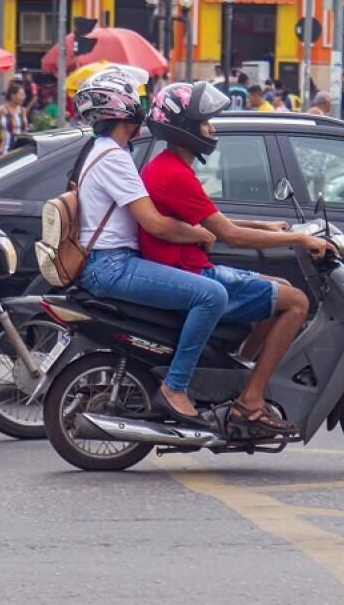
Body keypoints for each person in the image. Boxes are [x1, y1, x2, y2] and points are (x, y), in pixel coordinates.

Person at [142, 82, 332, 435]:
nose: (211, 129)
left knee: (281, 288)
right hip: (190, 273)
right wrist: (298, 238)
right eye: (205, 122)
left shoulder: (168, 166)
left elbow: (208, 217)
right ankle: (251, 401)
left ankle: (238, 374)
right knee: (296, 303)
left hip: (190, 266)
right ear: (184, 129)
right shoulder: (174, 174)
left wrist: (264, 224)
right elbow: (230, 235)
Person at [70, 66, 224, 425]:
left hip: (108, 261)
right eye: (137, 99)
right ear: (122, 107)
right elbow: (154, 223)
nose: (143, 106)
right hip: (112, 265)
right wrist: (201, 234)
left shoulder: (100, 149)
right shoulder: (114, 158)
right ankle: (176, 386)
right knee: (211, 296)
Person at [0, 80, 29, 155]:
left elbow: (25, 130)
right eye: (21, 95)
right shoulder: (1, 110)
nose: (24, 97)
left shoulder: (23, 111)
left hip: (20, 150)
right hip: (5, 150)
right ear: (12, 96)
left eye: (24, 95)